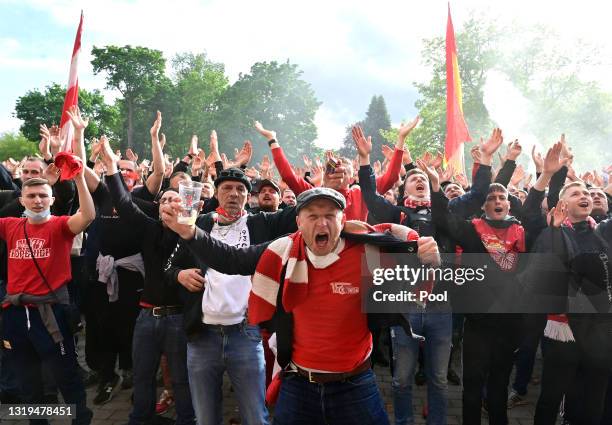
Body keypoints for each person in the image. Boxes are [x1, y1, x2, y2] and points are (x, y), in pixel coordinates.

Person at [161, 186, 442, 425]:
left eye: (330, 216)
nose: (322, 224)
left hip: (356, 383)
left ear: (343, 221)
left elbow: (417, 281)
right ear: (298, 222)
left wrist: (429, 260)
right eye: (313, 216)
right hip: (298, 382)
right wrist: (190, 233)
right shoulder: (281, 252)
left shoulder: (367, 252)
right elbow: (232, 260)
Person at [164, 167, 298, 425]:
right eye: (227, 188)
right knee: (205, 418)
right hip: (202, 336)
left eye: (241, 189)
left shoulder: (262, 223)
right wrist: (180, 275)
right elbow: (169, 266)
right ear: (216, 193)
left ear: (250, 197)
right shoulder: (200, 222)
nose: (234, 194)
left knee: (256, 417)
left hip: (246, 335)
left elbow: (303, 211)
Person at [98, 138, 195, 425]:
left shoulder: (193, 234)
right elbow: (125, 203)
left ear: (184, 205)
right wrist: (112, 168)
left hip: (178, 319)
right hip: (146, 317)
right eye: (163, 199)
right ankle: (140, 419)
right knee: (142, 375)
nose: (168, 202)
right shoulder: (148, 229)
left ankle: (188, 420)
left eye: (174, 199)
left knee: (180, 378)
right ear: (157, 207)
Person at [0, 168, 95, 425]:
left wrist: (78, 178)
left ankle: (80, 420)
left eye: (43, 195)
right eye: (31, 195)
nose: (37, 200)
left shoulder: (60, 225)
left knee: (66, 376)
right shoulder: (10, 225)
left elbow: (87, 215)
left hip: (51, 312)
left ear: (52, 200)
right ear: (21, 200)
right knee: (27, 380)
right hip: (15, 314)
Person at [527, 181, 612, 425]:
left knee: (595, 396)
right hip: (565, 331)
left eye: (586, 193)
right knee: (553, 395)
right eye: (576, 193)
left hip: (600, 331)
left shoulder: (602, 232)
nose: (585, 196)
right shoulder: (552, 232)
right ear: (563, 204)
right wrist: (554, 231)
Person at [255, 120, 407, 221]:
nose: (338, 170)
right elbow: (288, 176)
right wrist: (272, 139)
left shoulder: (361, 194)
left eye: (344, 169)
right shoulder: (314, 194)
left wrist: (400, 139)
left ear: (352, 178)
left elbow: (391, 178)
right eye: (333, 168)